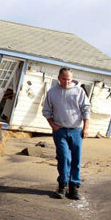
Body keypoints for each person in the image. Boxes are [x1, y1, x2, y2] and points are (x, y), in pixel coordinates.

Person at [42, 67, 91, 200]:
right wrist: (53, 125)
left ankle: (74, 187)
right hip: (60, 130)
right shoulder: (52, 92)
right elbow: (46, 110)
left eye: (69, 79)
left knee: (76, 159)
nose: (66, 82)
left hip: (76, 130)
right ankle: (62, 185)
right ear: (59, 78)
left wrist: (85, 128)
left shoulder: (79, 91)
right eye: (64, 79)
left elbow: (86, 109)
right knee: (64, 157)